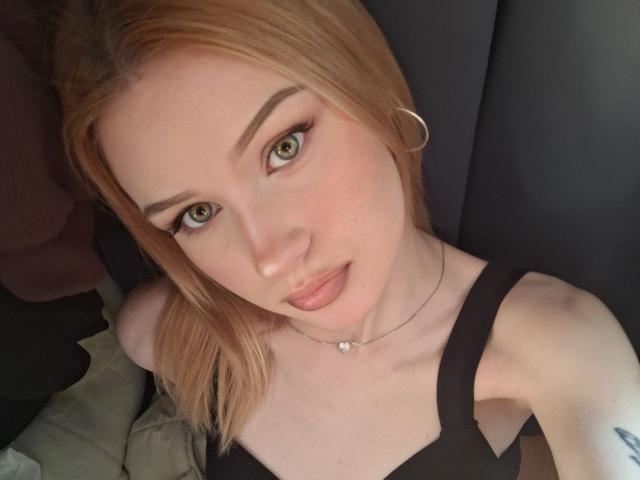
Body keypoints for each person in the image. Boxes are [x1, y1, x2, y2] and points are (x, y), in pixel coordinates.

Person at [52, 1, 640, 479]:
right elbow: (143, 333)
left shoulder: (557, 348)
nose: (273, 258)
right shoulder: (179, 335)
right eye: (198, 213)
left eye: (284, 148)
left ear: (368, 87)